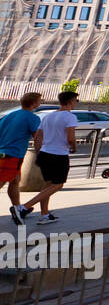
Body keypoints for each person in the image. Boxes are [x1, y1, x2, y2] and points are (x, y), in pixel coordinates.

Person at [13, 90, 80, 225]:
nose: (76, 103)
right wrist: (74, 147)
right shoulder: (70, 117)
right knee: (58, 184)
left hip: (45, 153)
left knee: (48, 184)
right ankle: (23, 208)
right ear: (70, 101)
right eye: (76, 100)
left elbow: (38, 137)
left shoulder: (48, 116)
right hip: (59, 155)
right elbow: (70, 137)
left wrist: (39, 154)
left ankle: (45, 214)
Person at [4, 92, 43, 225]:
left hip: (5, 153)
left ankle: (18, 208)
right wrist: (40, 154)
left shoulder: (9, 115)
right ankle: (17, 210)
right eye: (39, 101)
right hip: (12, 155)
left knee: (15, 181)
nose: (40, 103)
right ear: (34, 104)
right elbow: (37, 137)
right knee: (4, 181)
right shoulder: (32, 118)